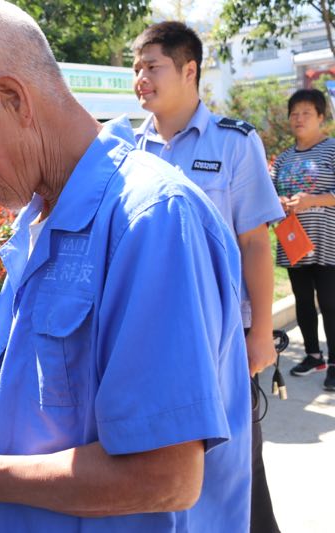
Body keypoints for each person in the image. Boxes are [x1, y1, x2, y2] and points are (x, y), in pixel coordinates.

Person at [0, 1, 252, 531]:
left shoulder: (153, 219)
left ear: (12, 98)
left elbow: (166, 476)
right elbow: (77, 400)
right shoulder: (40, 220)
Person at [131, 21, 285, 533]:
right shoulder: (131, 153)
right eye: (137, 68)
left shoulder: (235, 144)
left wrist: (260, 331)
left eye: (152, 67)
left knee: (235, 469)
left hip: (222, 342)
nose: (141, 79)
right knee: (163, 469)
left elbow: (254, 244)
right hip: (154, 343)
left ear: (189, 69)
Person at [271, 88, 335, 392]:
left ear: (321, 117)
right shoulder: (282, 158)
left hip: (327, 243)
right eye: (294, 113)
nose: (299, 119)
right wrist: (278, 202)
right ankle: (313, 356)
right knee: (304, 303)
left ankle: (334, 363)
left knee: (331, 303)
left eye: (306, 113)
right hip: (293, 243)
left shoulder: (332, 150)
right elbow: (266, 194)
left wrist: (314, 201)